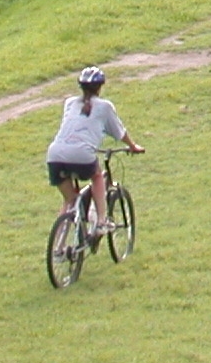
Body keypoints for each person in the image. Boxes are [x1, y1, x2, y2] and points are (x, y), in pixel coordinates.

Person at [45, 66, 143, 239]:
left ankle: (58, 247)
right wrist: (133, 146)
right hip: (81, 154)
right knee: (97, 176)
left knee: (69, 201)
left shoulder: (69, 103)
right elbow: (120, 132)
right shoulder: (104, 107)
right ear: (100, 87)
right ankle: (101, 222)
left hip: (54, 155)